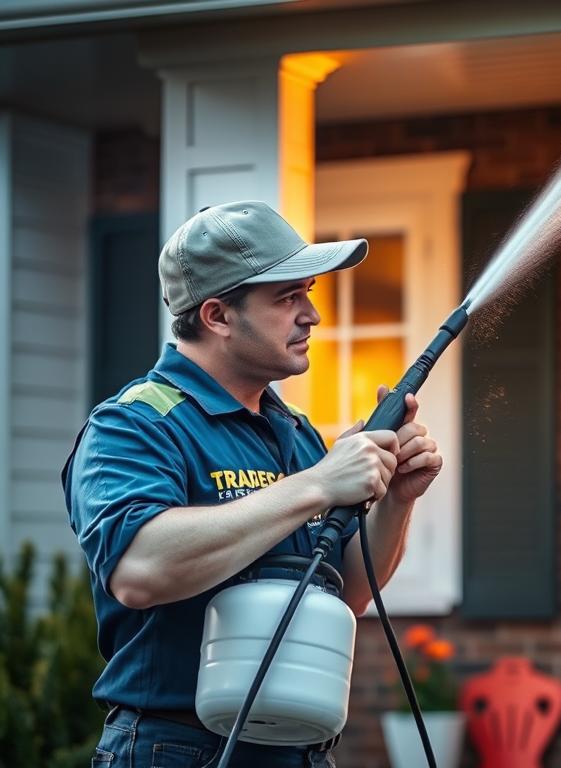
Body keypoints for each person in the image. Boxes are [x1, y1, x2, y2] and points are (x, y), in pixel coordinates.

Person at [62, 200, 443, 768]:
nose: (311, 314)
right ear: (217, 316)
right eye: (287, 298)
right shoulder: (135, 423)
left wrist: (395, 502)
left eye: (307, 293)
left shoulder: (294, 433)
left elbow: (347, 594)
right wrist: (318, 485)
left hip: (299, 748)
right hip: (176, 748)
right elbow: (141, 570)